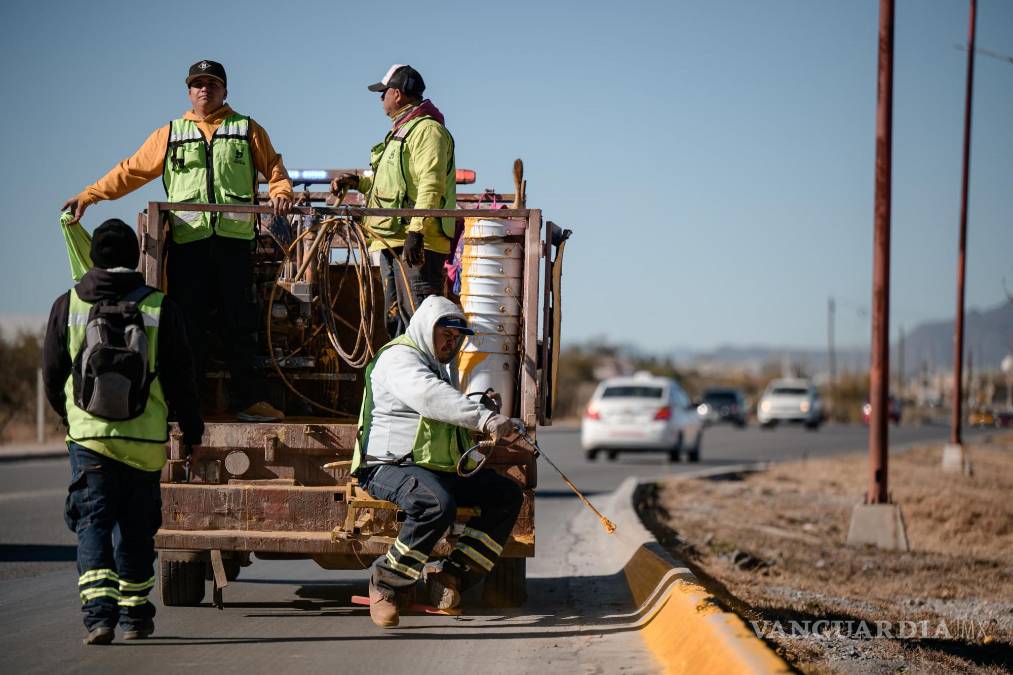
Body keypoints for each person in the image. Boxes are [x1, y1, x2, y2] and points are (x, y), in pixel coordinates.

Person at [61, 59, 293, 421]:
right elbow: (130, 171)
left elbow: (274, 166)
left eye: (212, 84)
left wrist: (280, 190)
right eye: (198, 84)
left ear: (225, 91)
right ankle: (190, 403)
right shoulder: (170, 133)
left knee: (240, 325)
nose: (205, 89)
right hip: (189, 246)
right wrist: (90, 195)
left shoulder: (247, 129)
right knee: (188, 327)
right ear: (188, 92)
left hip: (234, 245)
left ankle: (247, 402)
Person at [42, 219, 204, 645]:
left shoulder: (68, 304)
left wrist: (70, 417)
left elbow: (52, 373)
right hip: (145, 444)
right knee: (136, 530)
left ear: (94, 257)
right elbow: (181, 377)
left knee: (93, 523)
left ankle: (99, 617)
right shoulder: (159, 307)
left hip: (89, 441)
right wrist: (192, 432)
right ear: (135, 258)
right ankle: (135, 617)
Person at [350, 295, 522, 628]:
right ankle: (385, 583)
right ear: (427, 329)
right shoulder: (400, 358)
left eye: (457, 338)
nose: (452, 342)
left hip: (431, 467)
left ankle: (450, 577)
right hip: (387, 466)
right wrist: (484, 419)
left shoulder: (437, 366)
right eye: (446, 334)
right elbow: (430, 397)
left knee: (506, 495)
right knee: (435, 505)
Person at [331, 64, 457, 338]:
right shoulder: (403, 132)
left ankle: (425, 379)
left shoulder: (427, 131)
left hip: (415, 244)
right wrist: (357, 183)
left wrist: (416, 231)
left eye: (383, 92)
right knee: (398, 324)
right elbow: (393, 186)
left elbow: (430, 184)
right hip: (394, 241)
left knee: (421, 324)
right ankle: (403, 378)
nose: (380, 98)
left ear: (397, 94)